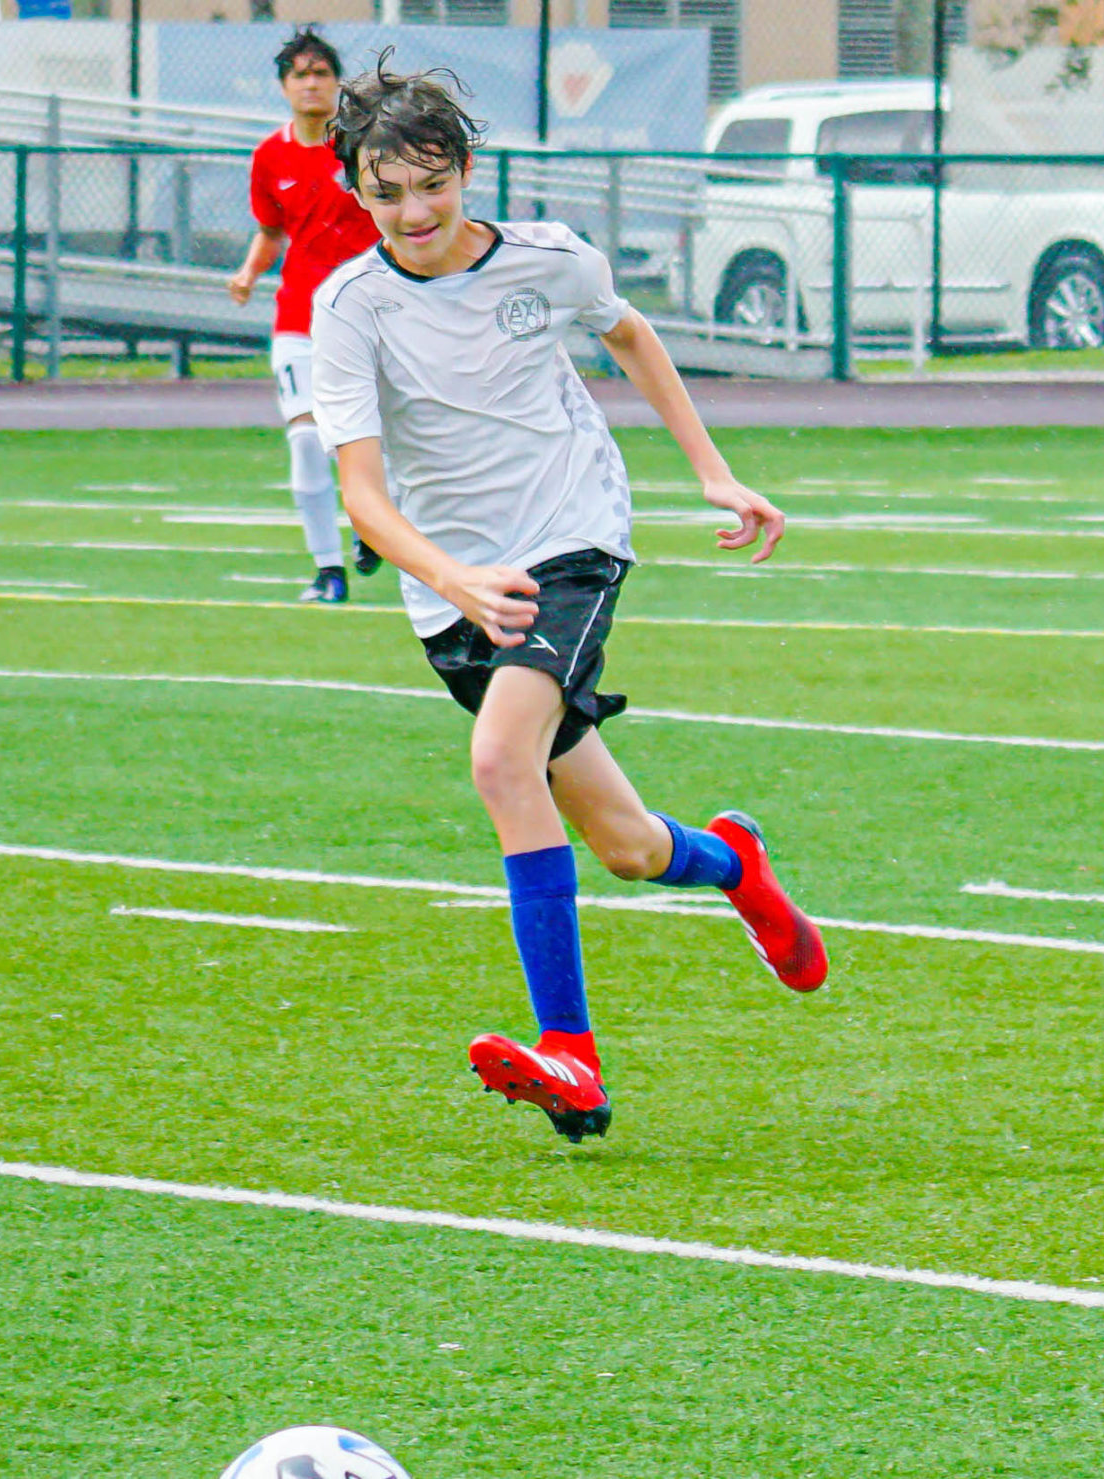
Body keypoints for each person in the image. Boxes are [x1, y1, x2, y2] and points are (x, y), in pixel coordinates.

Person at [310, 61, 830, 1144]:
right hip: (453, 592)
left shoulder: (550, 260)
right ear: (357, 190)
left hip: (569, 538)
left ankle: (572, 1057)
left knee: (502, 762)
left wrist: (712, 472)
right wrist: (449, 577)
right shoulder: (349, 305)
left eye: (433, 185)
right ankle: (736, 863)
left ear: (466, 170)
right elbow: (362, 494)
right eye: (387, 193)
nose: (414, 212)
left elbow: (628, 333)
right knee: (630, 846)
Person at [229, 26, 382, 604]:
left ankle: (376, 525)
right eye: (300, 75)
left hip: (372, 315)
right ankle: (328, 570)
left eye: (321, 73)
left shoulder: (365, 145)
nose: (311, 83)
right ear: (284, 87)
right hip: (299, 316)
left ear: (338, 82)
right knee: (305, 439)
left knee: (375, 439)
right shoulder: (270, 155)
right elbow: (271, 230)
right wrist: (249, 273)